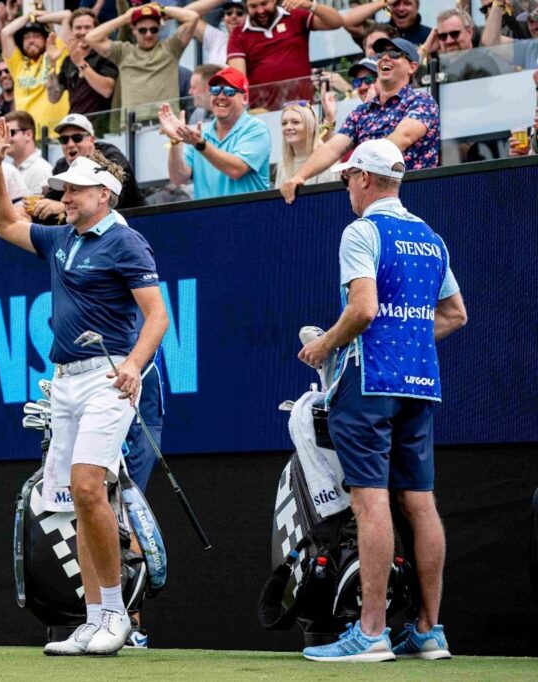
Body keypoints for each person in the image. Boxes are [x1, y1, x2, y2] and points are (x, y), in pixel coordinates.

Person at [0, 118, 169, 657]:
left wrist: (135, 365)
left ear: (104, 195)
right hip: (64, 382)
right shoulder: (62, 236)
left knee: (91, 488)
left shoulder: (126, 241)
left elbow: (157, 317)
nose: (63, 195)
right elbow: (2, 223)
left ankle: (117, 616)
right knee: (70, 504)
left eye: (74, 189)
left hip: (108, 379)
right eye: (63, 188)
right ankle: (94, 619)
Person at [298, 139, 466, 662]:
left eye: (350, 176)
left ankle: (371, 633)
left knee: (370, 502)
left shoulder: (362, 230)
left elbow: (364, 308)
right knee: (419, 503)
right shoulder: (431, 238)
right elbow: (455, 314)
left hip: (368, 383)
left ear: (366, 180)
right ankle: (428, 631)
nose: (348, 185)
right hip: (419, 381)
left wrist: (325, 344)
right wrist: (408, 341)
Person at [280, 37, 439, 203]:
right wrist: (298, 177)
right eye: (381, 54)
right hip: (370, 200)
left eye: (394, 53)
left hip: (416, 196)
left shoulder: (421, 100)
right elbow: (332, 148)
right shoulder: (362, 111)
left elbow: (403, 138)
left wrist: (357, 166)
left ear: (412, 66)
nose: (385, 57)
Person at [160, 67, 271, 200]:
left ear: (245, 98)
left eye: (230, 91)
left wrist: (201, 145)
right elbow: (178, 178)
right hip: (209, 218)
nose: (221, 96)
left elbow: (236, 169)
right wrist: (176, 141)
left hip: (246, 217)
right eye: (215, 90)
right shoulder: (201, 134)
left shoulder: (256, 129)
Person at [225, 0, 344, 111]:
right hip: (264, 113)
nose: (260, 10)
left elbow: (337, 22)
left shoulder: (295, 16)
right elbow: (238, 81)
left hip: (302, 108)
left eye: (264, 3)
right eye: (253, 6)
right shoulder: (238, 35)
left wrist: (311, 6)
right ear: (246, 6)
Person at [86, 3, 199, 120]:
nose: (148, 34)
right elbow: (91, 37)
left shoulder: (171, 48)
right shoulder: (123, 52)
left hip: (166, 123)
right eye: (142, 30)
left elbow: (193, 17)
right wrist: (125, 17)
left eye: (153, 29)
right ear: (134, 30)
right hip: (133, 127)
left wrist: (162, 9)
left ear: (159, 29)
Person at [35, 113, 142, 222]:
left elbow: (113, 200)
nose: (70, 144)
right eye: (64, 139)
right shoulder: (62, 165)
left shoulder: (110, 157)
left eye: (77, 138)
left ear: (91, 140)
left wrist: (63, 206)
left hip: (135, 220)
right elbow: (51, 201)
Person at [1, 13, 71, 136]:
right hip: (27, 139)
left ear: (46, 39)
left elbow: (68, 16)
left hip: (56, 136)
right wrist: (28, 16)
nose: (31, 40)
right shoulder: (18, 65)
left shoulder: (56, 54)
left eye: (36, 36)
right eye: (26, 37)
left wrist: (38, 17)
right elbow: (5, 33)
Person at [46, 9, 119, 117]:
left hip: (100, 128)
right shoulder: (69, 59)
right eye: (78, 28)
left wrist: (80, 62)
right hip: (75, 125)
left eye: (87, 27)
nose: (83, 32)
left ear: (96, 30)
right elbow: (53, 98)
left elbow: (106, 90)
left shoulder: (105, 54)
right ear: (71, 31)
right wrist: (52, 63)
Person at [421, 9, 510, 81]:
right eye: (443, 36)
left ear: (469, 32)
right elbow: (410, 72)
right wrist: (425, 49)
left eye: (455, 34)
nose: (449, 41)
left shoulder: (480, 62)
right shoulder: (438, 65)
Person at [275, 100, 335, 188]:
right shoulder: (283, 163)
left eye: (295, 122)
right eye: (284, 123)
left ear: (310, 127)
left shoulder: (325, 160)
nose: (288, 127)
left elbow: (327, 200)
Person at [344, 0, 432, 47]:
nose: (401, 8)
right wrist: (384, 2)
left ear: (417, 7)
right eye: (395, 3)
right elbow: (348, 22)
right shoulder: (378, 32)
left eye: (407, 3)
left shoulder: (430, 35)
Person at [5, 110, 53, 195]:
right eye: (4, 134)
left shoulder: (41, 170)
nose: (6, 139)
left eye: (11, 133)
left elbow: (39, 207)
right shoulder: (9, 168)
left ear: (28, 134)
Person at [187, 0, 247, 66]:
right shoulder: (217, 39)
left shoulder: (255, 42)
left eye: (239, 13)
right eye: (229, 13)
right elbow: (186, 13)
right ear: (224, 18)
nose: (233, 16)